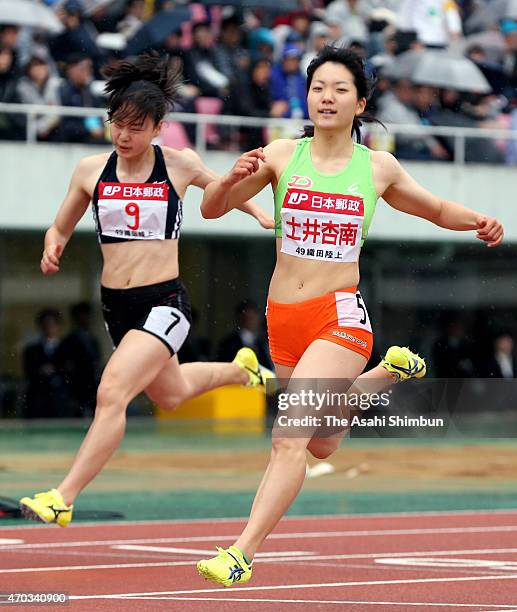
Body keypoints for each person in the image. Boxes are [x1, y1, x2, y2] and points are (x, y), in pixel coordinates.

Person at [196, 45, 504, 586]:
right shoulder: (279, 154)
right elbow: (211, 208)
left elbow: (432, 208)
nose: (327, 98)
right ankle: (387, 375)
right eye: (318, 88)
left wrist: (477, 219)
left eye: (340, 89)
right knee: (323, 442)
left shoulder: (375, 166)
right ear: (307, 97)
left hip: (338, 319)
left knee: (289, 438)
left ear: (360, 102)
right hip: (282, 321)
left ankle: (242, 551)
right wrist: (229, 178)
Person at [19, 53, 274, 527]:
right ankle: (243, 371)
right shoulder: (90, 170)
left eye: (136, 127)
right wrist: (52, 246)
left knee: (112, 391)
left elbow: (221, 192)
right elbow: (60, 226)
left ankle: (63, 496)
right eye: (117, 124)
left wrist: (259, 212)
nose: (124, 135)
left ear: (158, 128)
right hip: (117, 305)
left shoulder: (178, 164)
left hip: (165, 302)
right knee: (171, 395)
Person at [22, 309, 69, 419]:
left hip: (61, 398)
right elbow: (28, 372)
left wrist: (56, 370)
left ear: (58, 326)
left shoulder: (68, 348)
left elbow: (71, 371)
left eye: (52, 324)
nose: (49, 328)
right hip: (38, 399)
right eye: (46, 325)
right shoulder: (31, 350)